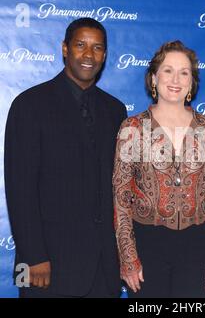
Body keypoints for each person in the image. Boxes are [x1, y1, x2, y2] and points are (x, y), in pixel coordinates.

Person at [4, 18, 127, 298]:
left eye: (97, 48)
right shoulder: (29, 105)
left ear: (105, 55)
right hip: (46, 265)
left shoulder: (115, 110)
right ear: (64, 49)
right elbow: (20, 188)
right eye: (80, 45)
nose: (88, 54)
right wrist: (33, 256)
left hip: (102, 267)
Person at [113, 40, 205, 298]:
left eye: (184, 72)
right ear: (154, 78)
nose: (176, 79)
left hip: (197, 246)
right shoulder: (131, 128)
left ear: (191, 82)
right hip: (146, 244)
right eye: (168, 70)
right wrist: (128, 256)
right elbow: (121, 198)